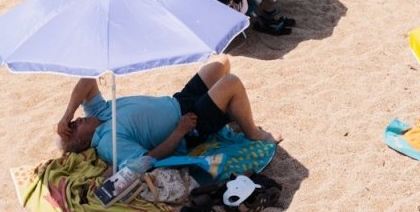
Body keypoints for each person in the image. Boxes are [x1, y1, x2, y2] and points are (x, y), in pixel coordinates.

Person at [58, 56, 279, 168]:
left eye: (74, 121)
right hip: (190, 125)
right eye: (74, 127)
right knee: (231, 82)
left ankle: (227, 112)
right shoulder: (109, 143)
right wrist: (180, 131)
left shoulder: (98, 112)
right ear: (83, 142)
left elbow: (88, 80)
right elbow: (146, 161)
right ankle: (253, 133)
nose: (77, 120)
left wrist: (67, 115)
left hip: (179, 101)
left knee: (221, 62)